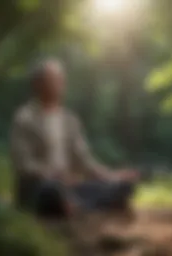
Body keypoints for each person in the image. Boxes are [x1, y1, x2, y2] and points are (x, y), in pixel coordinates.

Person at [10, 58, 139, 219]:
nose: (59, 85)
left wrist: (112, 176)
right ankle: (80, 205)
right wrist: (54, 175)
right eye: (53, 80)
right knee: (51, 190)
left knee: (123, 186)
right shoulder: (25, 118)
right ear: (37, 84)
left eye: (61, 80)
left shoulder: (69, 120)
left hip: (69, 186)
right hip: (41, 186)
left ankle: (74, 205)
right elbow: (23, 164)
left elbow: (85, 160)